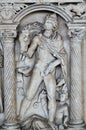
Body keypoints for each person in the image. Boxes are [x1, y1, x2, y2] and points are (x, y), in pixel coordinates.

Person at [20, 13, 67, 130]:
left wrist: (52, 65)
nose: (47, 23)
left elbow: (62, 56)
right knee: (29, 95)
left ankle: (51, 121)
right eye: (47, 22)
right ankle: (19, 118)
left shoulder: (58, 39)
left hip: (49, 71)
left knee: (51, 97)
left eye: (50, 22)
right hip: (38, 68)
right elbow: (29, 53)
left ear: (54, 26)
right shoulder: (38, 38)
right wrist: (24, 41)